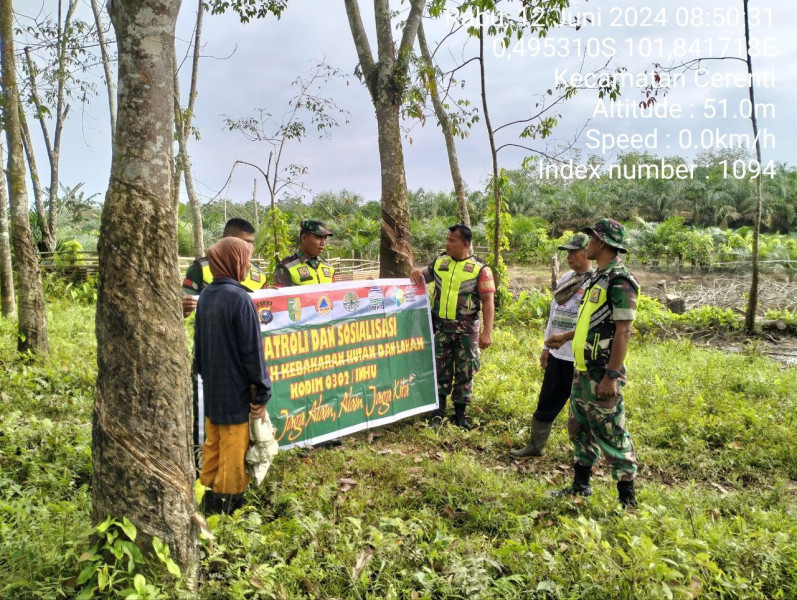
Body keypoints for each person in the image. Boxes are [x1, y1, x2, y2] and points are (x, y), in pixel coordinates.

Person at [545, 218, 639, 508]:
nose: (588, 243)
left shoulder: (620, 281)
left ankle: (627, 501)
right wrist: (566, 336)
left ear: (603, 242)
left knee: (612, 432)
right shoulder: (598, 277)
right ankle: (580, 486)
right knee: (580, 428)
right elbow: (593, 323)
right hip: (582, 370)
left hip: (601, 372)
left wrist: (611, 376)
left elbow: (623, 330)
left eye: (592, 238)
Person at [194, 237, 271, 514]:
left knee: (212, 450)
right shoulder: (240, 299)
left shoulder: (206, 296)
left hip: (214, 392)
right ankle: (226, 517)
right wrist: (262, 392)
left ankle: (202, 507)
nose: (248, 264)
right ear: (235, 262)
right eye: (246, 259)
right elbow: (253, 352)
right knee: (233, 457)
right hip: (236, 395)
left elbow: (198, 351)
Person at [510, 233, 593, 458]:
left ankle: (585, 457)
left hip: (580, 357)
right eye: (567, 252)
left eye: (574, 252)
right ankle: (535, 446)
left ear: (588, 252)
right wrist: (545, 348)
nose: (569, 257)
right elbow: (553, 315)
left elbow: (594, 324)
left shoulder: (595, 282)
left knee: (584, 410)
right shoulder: (567, 277)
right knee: (547, 399)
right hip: (558, 354)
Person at [410, 224, 495, 430]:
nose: (447, 244)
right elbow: (422, 276)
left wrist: (487, 332)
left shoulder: (480, 270)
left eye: (452, 241)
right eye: (447, 239)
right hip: (441, 329)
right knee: (440, 370)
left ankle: (460, 415)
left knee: (465, 371)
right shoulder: (440, 262)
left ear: (465, 244)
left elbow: (488, 302)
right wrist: (415, 273)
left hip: (467, 330)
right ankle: (437, 413)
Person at [182, 218, 267, 318]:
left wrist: (274, 294)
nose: (250, 247)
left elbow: (265, 308)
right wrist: (184, 308)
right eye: (246, 242)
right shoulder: (200, 269)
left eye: (252, 243)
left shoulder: (260, 275)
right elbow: (183, 309)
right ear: (228, 239)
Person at [273, 219, 335, 287]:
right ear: (304, 238)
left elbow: (334, 294)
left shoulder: (328, 267)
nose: (323, 243)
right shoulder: (285, 267)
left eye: (325, 238)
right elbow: (281, 296)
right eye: (318, 237)